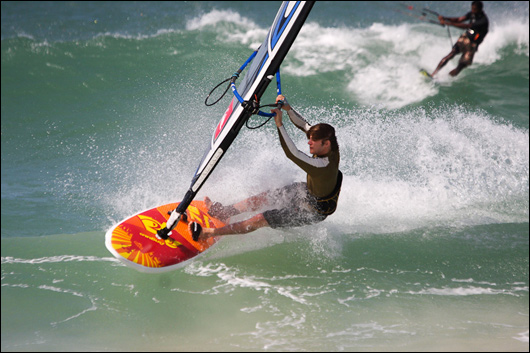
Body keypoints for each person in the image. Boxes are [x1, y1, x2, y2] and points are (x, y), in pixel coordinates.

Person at [188, 95, 342, 241]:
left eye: (313, 141)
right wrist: (288, 108)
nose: (309, 142)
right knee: (265, 196)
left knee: (260, 219)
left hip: (313, 211)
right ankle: (225, 212)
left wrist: (279, 124)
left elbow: (292, 153)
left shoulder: (322, 166)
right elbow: (305, 125)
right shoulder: (330, 145)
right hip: (308, 191)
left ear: (325, 144)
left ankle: (208, 233)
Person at [430, 1, 489, 77]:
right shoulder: (472, 14)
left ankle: (445, 78)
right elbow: (459, 20)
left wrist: (449, 23)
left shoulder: (483, 20)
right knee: (451, 54)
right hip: (465, 38)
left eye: (475, 9)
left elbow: (467, 26)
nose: (473, 11)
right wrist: (445, 18)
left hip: (472, 45)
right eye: (472, 8)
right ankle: (433, 74)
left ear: (480, 9)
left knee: (460, 66)